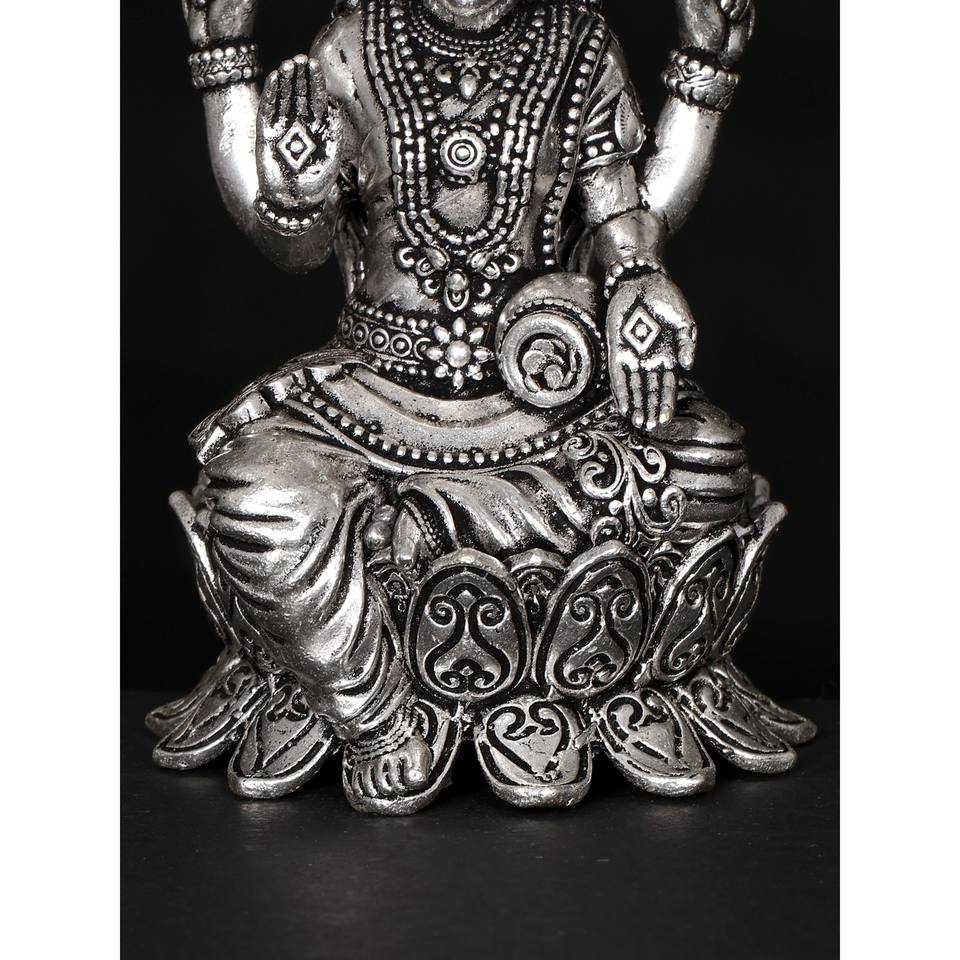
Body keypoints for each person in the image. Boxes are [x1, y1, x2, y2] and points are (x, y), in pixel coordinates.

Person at [149, 0, 813, 814]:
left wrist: (640, 277)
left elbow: (620, 212)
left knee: (708, 460)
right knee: (258, 497)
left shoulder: (577, 42)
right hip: (371, 399)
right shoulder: (352, 47)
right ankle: (376, 712)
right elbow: (300, 248)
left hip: (544, 407)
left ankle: (403, 552)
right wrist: (296, 190)